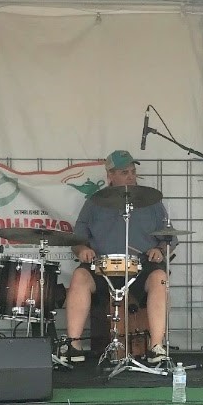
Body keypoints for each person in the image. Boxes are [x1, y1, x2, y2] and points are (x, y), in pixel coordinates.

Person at [61, 150, 170, 366]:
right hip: (103, 266)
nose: (131, 176)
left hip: (141, 266)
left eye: (133, 171)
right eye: (124, 172)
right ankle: (73, 345)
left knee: (159, 278)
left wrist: (161, 249)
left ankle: (156, 346)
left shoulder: (151, 201)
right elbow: (77, 238)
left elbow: (169, 236)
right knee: (79, 277)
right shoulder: (94, 202)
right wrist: (82, 249)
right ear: (110, 175)